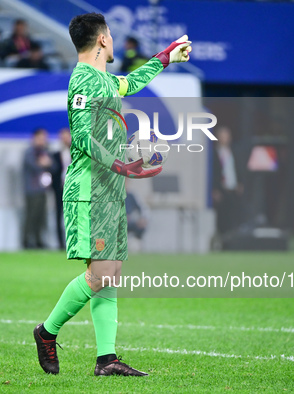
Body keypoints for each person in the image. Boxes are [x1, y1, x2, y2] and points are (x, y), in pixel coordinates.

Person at [33, 12, 191, 377]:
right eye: (112, 35)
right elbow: (84, 137)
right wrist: (121, 165)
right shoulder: (84, 81)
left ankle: (107, 359)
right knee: (102, 272)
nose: (114, 41)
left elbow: (131, 83)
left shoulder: (101, 79)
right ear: (103, 40)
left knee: (111, 272)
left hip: (109, 188)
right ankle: (47, 331)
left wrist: (165, 57)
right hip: (89, 190)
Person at [22, 128, 54, 249]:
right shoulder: (29, 152)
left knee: (41, 217)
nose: (43, 140)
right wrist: (44, 163)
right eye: (41, 138)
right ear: (35, 138)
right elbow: (34, 166)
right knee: (31, 216)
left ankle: (39, 241)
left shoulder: (45, 152)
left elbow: (53, 166)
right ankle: (26, 241)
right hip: (32, 190)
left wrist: (47, 163)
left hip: (43, 189)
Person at [212, 126, 244, 235]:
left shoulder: (235, 152)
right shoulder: (213, 154)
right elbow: (213, 173)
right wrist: (215, 189)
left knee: (234, 216)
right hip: (221, 189)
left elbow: (238, 168)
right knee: (222, 218)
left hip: (233, 189)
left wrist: (240, 183)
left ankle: (233, 237)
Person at [50, 128, 72, 250]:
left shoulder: (77, 152)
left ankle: (74, 243)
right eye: (62, 137)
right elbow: (53, 171)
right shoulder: (56, 154)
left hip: (74, 189)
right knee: (59, 215)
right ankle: (60, 244)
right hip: (60, 189)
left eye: (66, 136)